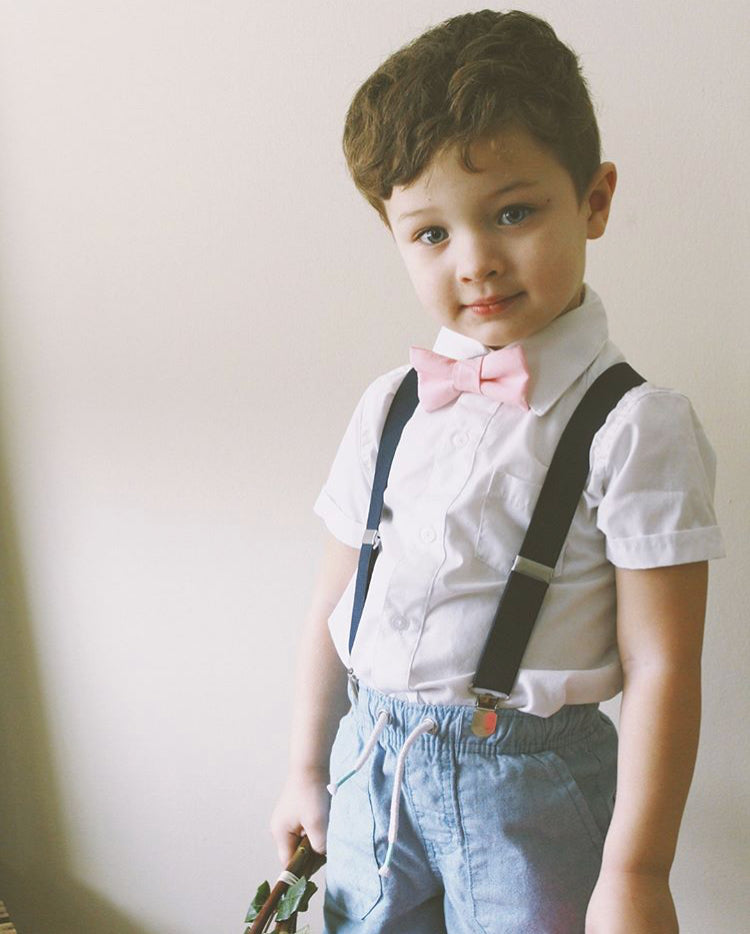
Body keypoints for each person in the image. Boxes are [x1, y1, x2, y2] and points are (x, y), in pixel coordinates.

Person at [269, 10, 725, 933]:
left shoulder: (636, 425)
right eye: (430, 233)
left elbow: (663, 662)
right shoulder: (388, 403)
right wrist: (306, 770)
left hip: (532, 794)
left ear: (595, 200)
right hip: (371, 772)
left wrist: (637, 871)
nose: (475, 261)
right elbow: (333, 603)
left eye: (513, 212)